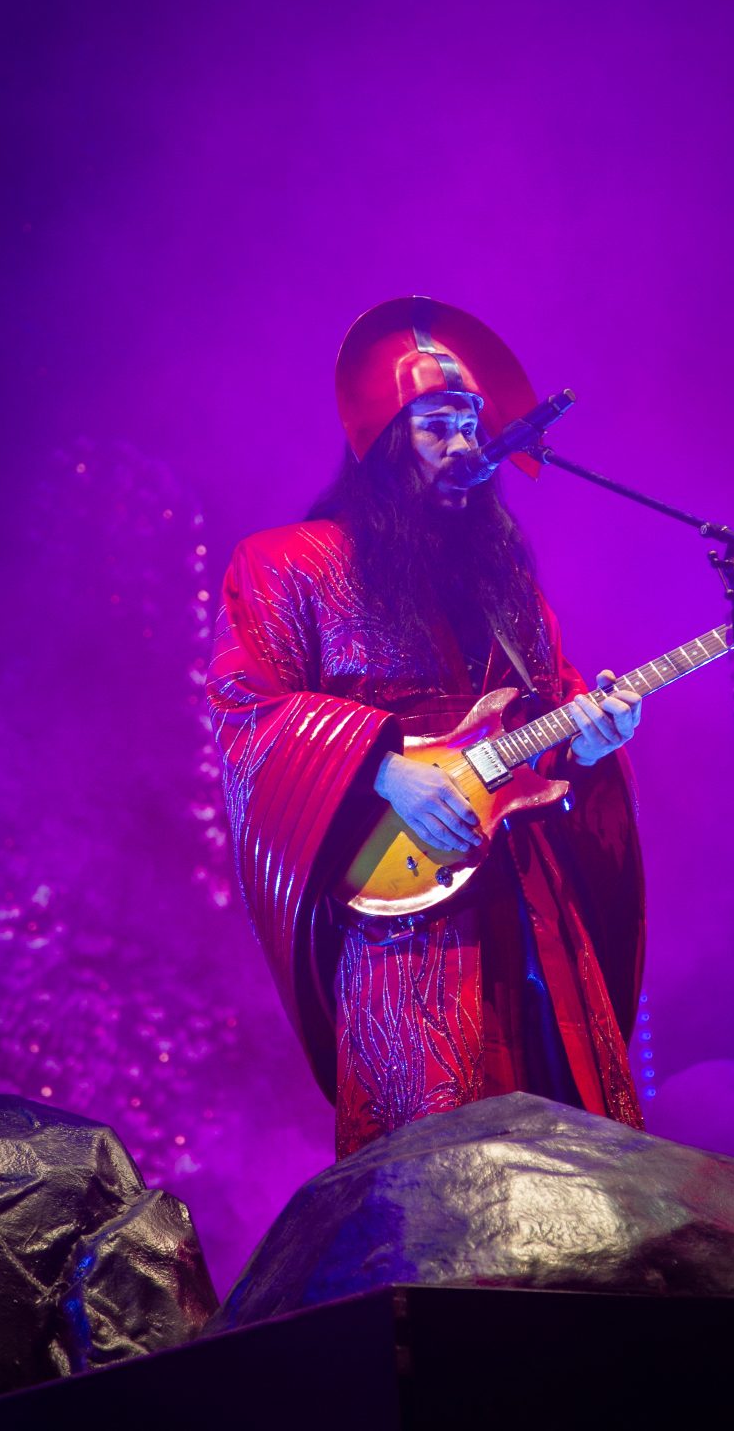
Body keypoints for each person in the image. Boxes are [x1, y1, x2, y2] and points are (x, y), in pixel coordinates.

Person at [207, 296, 647, 1159]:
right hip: (401, 892)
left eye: (473, 426)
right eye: (437, 427)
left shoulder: (503, 574)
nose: (464, 448)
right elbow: (246, 706)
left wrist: (590, 743)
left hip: (526, 882)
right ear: (380, 440)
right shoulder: (284, 563)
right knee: (431, 1153)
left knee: (575, 1131)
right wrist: (380, 763)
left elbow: (551, 700)